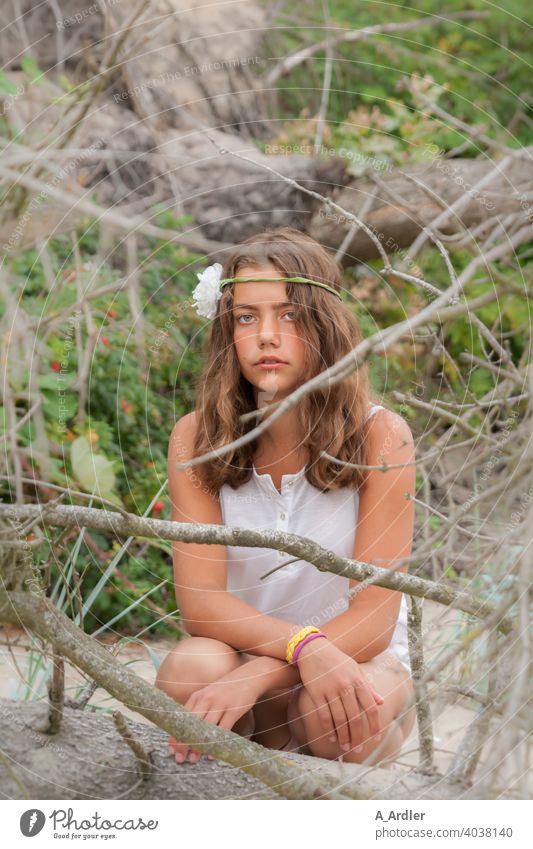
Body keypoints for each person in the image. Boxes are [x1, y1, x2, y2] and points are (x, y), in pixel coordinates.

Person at [156, 226, 417, 767]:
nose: (266, 336)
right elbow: (201, 604)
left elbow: (373, 617)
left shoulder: (380, 435)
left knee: (336, 714)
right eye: (247, 317)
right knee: (191, 669)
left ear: (323, 324)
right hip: (243, 660)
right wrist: (289, 653)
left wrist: (293, 657)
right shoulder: (197, 438)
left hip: (352, 661)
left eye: (289, 315)